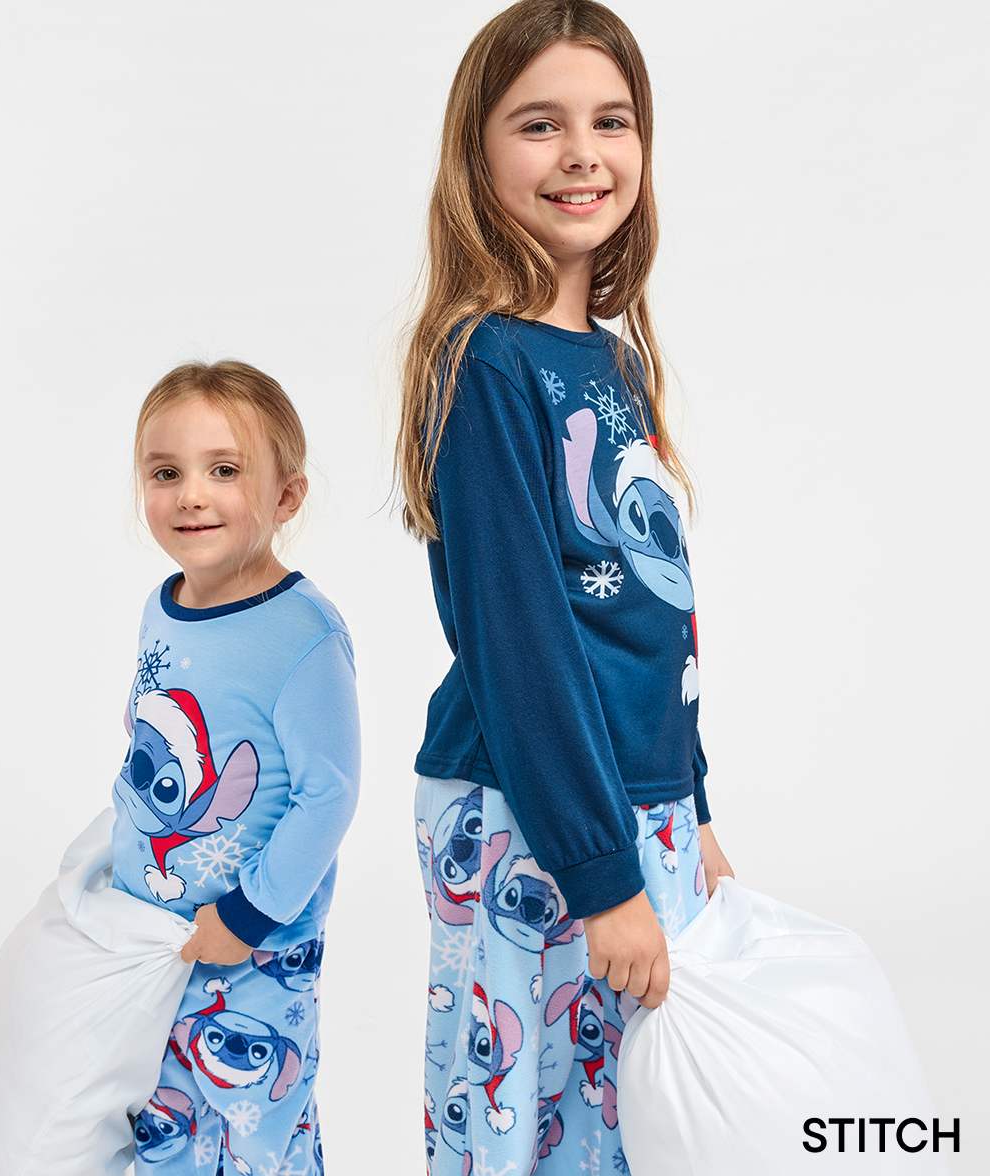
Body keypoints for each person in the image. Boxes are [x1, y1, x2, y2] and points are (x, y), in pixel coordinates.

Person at [395, 2, 735, 1171]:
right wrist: (600, 877)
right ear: (478, 155)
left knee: (623, 1125)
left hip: (627, 810)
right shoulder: (486, 363)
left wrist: (692, 808)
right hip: (527, 816)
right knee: (517, 1127)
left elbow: (649, 618)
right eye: (540, 124)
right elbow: (522, 640)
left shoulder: (613, 358)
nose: (584, 153)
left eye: (613, 121)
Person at [113, 360, 359, 1175]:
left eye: (224, 471)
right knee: (161, 1121)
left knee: (255, 1128)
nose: (191, 495)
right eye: (165, 472)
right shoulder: (164, 603)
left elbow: (328, 794)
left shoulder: (302, 635)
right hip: (155, 935)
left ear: (286, 497)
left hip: (253, 943)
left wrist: (249, 917)